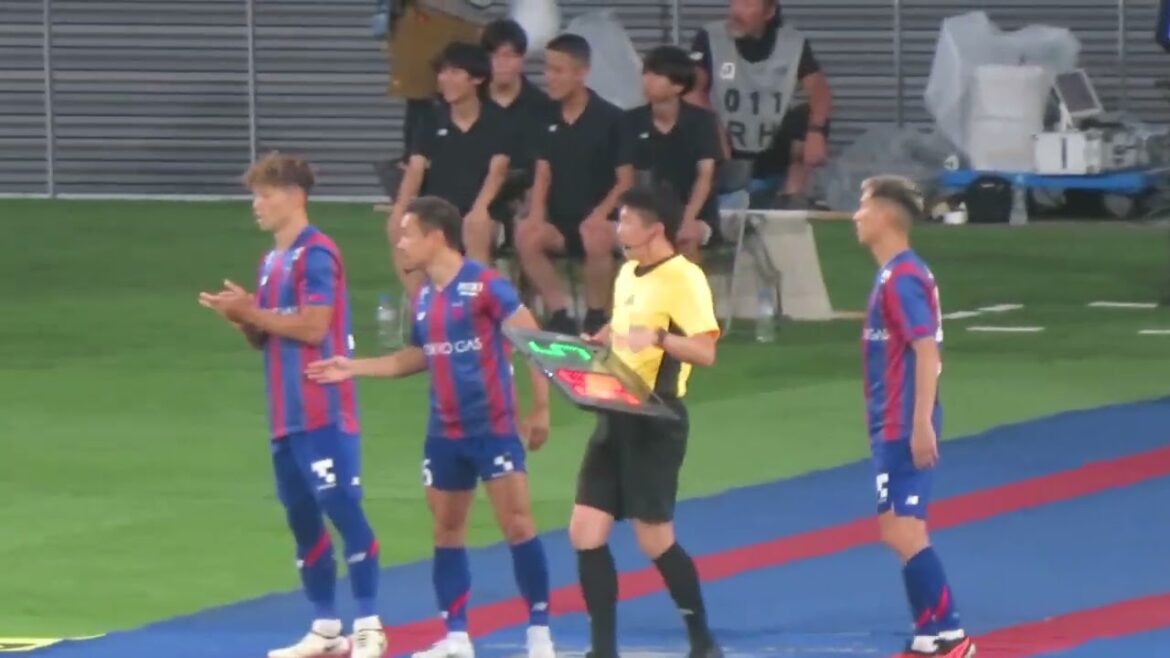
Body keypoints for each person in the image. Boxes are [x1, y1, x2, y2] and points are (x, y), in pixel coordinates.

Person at [308, 195, 556, 658]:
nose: (400, 244)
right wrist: (353, 367)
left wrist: (540, 409)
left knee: (518, 525)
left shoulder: (485, 286)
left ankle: (540, 635)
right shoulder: (424, 298)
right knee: (446, 531)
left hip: (494, 428)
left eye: (407, 234)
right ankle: (457, 637)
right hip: (444, 433)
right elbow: (418, 356)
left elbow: (533, 342)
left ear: (436, 236)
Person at [198, 152, 387, 658]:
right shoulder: (270, 262)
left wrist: (252, 311)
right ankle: (326, 629)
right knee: (302, 520)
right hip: (284, 414)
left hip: (323, 406)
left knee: (342, 509)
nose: (256, 205)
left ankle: (369, 623)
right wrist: (241, 319)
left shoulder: (317, 254)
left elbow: (312, 327)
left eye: (265, 194)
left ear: (295, 196)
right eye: (255, 195)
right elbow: (267, 340)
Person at [570, 186, 724, 658]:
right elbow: (624, 332)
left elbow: (705, 350)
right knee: (585, 530)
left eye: (625, 221)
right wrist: (603, 339)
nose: (618, 229)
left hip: (656, 419)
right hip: (616, 413)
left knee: (654, 539)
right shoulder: (627, 274)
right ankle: (602, 650)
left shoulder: (685, 277)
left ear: (654, 228)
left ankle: (702, 642)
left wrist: (657, 336)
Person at [852, 175, 977, 658]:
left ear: (885, 216)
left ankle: (953, 636)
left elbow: (928, 352)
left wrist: (922, 422)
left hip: (903, 421)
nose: (856, 218)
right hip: (891, 419)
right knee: (898, 528)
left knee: (903, 529)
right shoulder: (895, 273)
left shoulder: (903, 277)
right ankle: (929, 635)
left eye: (863, 209)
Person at [514, 33, 635, 337]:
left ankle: (596, 315)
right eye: (547, 70)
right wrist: (536, 216)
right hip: (560, 223)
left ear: (581, 73)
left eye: (558, 71)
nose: (549, 78)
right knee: (527, 234)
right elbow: (543, 173)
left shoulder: (612, 119)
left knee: (594, 233)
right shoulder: (541, 117)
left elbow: (626, 181)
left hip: (602, 220)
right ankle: (560, 314)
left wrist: (599, 214)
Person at [687, 0, 833, 208]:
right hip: (726, 146)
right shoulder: (711, 37)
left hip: (771, 145)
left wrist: (816, 131)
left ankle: (792, 200)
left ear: (769, 12)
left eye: (747, 5)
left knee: (806, 115)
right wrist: (715, 131)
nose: (736, 11)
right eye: (734, 3)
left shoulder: (792, 42)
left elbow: (820, 93)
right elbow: (692, 90)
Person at [388, 41, 511, 289]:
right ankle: (422, 308)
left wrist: (480, 209)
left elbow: (497, 171)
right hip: (438, 212)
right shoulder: (431, 119)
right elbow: (415, 169)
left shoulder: (498, 120)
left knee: (476, 226)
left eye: (454, 72)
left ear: (476, 78)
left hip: (483, 211)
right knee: (400, 227)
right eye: (442, 72)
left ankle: (475, 308)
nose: (445, 79)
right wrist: (400, 208)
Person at [624, 45, 723, 262]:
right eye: (646, 73)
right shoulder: (630, 122)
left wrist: (687, 218)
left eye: (657, 75)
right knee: (635, 238)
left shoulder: (702, 122)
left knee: (686, 237)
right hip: (649, 211)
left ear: (678, 86)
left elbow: (705, 176)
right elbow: (627, 175)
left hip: (697, 214)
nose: (647, 80)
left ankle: (691, 294)